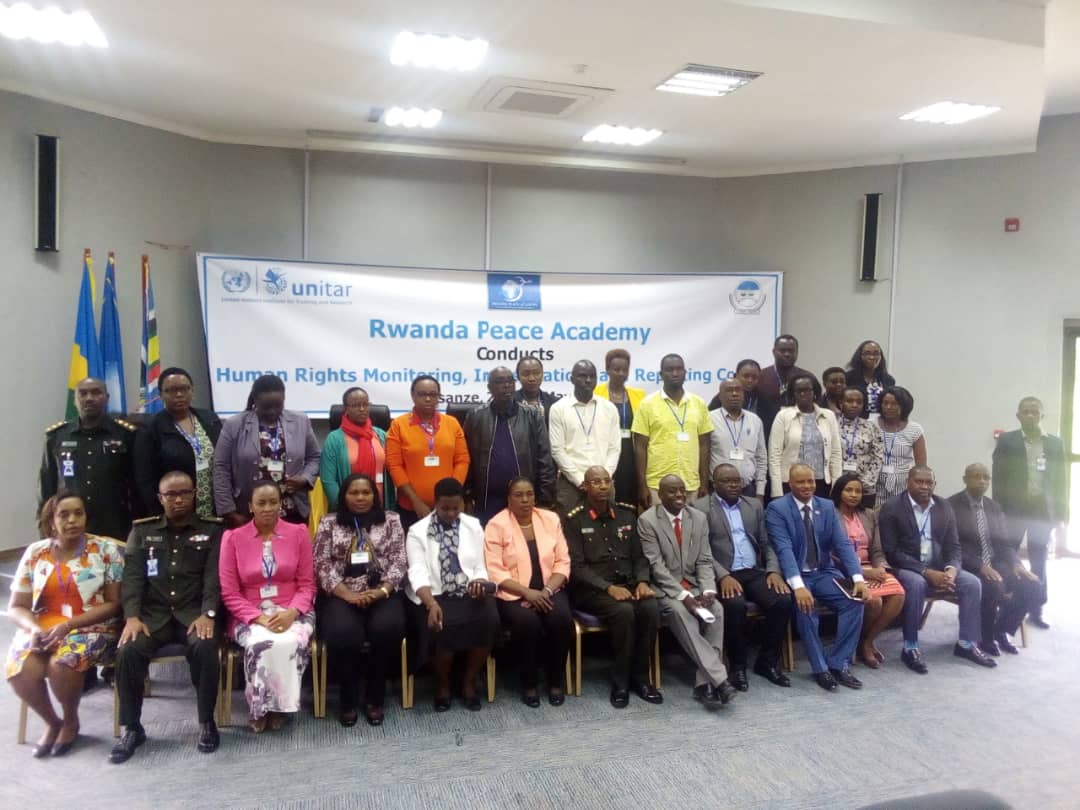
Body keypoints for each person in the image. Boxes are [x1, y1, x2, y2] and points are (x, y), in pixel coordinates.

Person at [111, 472, 223, 763]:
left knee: (204, 647)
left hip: (193, 615)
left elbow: (213, 578)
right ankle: (132, 728)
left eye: (184, 493)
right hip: (153, 617)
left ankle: (206, 722)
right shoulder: (142, 531)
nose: (178, 499)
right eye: (171, 495)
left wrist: (208, 614)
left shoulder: (212, 530)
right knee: (128, 651)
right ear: (160, 498)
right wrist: (132, 617)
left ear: (194, 494)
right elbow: (133, 579)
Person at [7, 491, 123, 757]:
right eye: (64, 515)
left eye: (78, 513)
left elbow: (114, 604)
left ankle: (70, 720)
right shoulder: (36, 553)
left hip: (92, 627)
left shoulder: (105, 550)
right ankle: (52, 722)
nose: (72, 520)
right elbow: (16, 606)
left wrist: (69, 626)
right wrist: (34, 630)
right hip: (42, 628)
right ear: (51, 521)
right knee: (19, 668)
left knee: (62, 663)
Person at [218, 481, 317, 731]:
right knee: (260, 643)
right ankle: (260, 707)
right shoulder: (233, 538)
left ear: (281, 505)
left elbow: (307, 585)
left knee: (289, 640)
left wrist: (291, 613)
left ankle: (279, 706)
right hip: (249, 612)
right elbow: (229, 593)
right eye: (261, 503)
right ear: (250, 506)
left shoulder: (298, 533)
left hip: (294, 609)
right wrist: (258, 618)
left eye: (273, 502)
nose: (267, 508)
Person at [878, 466, 995, 674]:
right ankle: (910, 647)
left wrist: (951, 570)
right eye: (919, 482)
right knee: (916, 583)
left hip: (939, 566)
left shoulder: (943, 506)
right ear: (908, 482)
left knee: (972, 583)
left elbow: (954, 546)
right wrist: (926, 572)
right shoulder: (892, 507)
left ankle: (966, 644)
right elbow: (892, 551)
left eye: (929, 482)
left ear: (934, 484)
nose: (924, 486)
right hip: (906, 567)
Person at [312, 473, 407, 727]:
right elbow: (321, 565)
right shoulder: (329, 523)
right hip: (341, 594)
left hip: (382, 592)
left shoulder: (391, 520)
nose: (360, 497)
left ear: (375, 495)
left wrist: (382, 591)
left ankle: (375, 698)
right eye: (354, 492)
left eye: (366, 492)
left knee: (387, 628)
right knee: (343, 633)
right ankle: (348, 699)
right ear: (344, 496)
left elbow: (400, 561)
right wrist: (348, 595)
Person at [563, 466, 661, 707]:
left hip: (628, 585)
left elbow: (640, 556)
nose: (603, 486)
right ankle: (621, 682)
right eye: (596, 482)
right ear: (585, 486)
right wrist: (608, 588)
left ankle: (641, 677)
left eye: (607, 481)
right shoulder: (574, 519)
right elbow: (577, 567)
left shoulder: (627, 514)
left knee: (650, 607)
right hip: (592, 591)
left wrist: (642, 581)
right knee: (624, 611)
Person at [764, 464, 867, 691]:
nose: (807, 486)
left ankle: (838, 663)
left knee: (854, 602)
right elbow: (783, 549)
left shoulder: (826, 506)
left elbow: (842, 544)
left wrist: (858, 578)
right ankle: (821, 669)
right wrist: (798, 586)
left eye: (810, 481)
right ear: (790, 484)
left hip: (823, 572)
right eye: (800, 482)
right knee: (805, 608)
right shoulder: (777, 508)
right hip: (796, 574)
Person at [638, 474, 736, 709]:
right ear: (660, 495)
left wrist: (708, 589)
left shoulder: (698, 518)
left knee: (717, 610)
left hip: (694, 584)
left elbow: (704, 559)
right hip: (666, 590)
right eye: (672, 491)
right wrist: (684, 596)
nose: (679, 495)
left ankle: (705, 684)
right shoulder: (647, 520)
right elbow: (656, 567)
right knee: (682, 614)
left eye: (682, 490)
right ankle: (720, 679)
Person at [405, 478, 499, 712]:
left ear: (463, 504)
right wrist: (430, 603)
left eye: (456, 508)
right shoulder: (417, 531)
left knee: (489, 619)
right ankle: (443, 685)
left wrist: (479, 581)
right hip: (434, 594)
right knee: (441, 626)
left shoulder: (473, 525)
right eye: (444, 508)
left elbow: (479, 565)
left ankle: (469, 682)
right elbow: (417, 571)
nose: (450, 513)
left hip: (468, 591)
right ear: (435, 503)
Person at [695, 464, 792, 690]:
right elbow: (702, 551)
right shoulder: (700, 508)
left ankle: (767, 662)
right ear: (714, 484)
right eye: (726, 481)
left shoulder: (754, 505)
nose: (733, 485)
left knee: (782, 600)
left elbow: (767, 543)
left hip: (754, 570)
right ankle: (737, 667)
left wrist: (773, 571)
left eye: (736, 481)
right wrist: (723, 576)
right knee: (735, 605)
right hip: (724, 573)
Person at [484, 477, 573, 706]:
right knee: (527, 622)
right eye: (518, 495)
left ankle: (555, 682)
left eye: (529, 494)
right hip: (513, 593)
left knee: (561, 618)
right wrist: (527, 593)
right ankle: (529, 684)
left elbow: (563, 562)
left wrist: (545, 591)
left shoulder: (550, 519)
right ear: (508, 499)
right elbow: (495, 571)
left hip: (550, 589)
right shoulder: (496, 525)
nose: (525, 499)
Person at [948, 463, 1044, 655]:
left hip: (995, 562)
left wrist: (1017, 564)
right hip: (967, 565)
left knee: (1032, 585)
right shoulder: (951, 505)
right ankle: (986, 637)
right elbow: (951, 545)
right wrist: (980, 565)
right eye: (976, 476)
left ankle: (1001, 630)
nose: (982, 481)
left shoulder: (993, 507)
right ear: (965, 479)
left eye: (986, 477)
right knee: (994, 586)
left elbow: (1004, 543)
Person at [991, 396, 1067, 629]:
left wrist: (1061, 514)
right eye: (1026, 411)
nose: (1030, 415)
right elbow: (998, 478)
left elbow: (1061, 481)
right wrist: (998, 511)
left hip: (1041, 512)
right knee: (1007, 556)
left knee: (1039, 558)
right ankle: (1004, 602)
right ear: (1018, 415)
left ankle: (1036, 608)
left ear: (1042, 415)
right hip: (1012, 510)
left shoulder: (1054, 444)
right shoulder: (1007, 441)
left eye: (1035, 411)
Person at [213, 374, 321, 528]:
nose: (272, 411)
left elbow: (314, 457)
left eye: (278, 405)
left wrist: (305, 478)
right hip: (248, 510)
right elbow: (221, 467)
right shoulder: (234, 425)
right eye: (266, 407)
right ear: (255, 400)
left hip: (292, 509)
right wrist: (228, 511)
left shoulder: (300, 420)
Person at [40, 376, 140, 543]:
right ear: (75, 400)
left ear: (107, 397)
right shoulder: (57, 435)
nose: (89, 398)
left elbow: (136, 484)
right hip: (69, 522)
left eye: (96, 393)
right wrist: (44, 524)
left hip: (114, 522)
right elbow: (47, 484)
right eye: (83, 393)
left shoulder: (125, 434)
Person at [831, 474, 905, 669]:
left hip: (870, 567)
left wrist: (880, 567)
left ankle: (867, 641)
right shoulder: (830, 514)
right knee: (874, 601)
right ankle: (858, 642)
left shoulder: (869, 515)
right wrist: (862, 573)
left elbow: (877, 550)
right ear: (839, 492)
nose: (854, 495)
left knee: (898, 595)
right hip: (844, 570)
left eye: (858, 491)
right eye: (849, 490)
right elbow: (830, 554)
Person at [464, 367, 555, 523]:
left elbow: (545, 459)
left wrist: (545, 499)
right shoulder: (476, 416)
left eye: (509, 381)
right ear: (489, 387)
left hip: (523, 498)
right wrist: (467, 497)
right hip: (487, 499)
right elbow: (467, 458)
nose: (506, 385)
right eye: (499, 382)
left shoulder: (532, 415)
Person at [133, 367, 222, 521]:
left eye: (184, 389)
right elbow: (145, 478)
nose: (179, 395)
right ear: (160, 394)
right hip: (175, 512)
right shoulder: (150, 428)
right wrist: (161, 516)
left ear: (192, 390)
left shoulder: (210, 419)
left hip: (214, 508)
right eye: (172, 390)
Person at [386, 375, 470, 529]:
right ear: (413, 396)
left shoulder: (452, 423)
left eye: (433, 394)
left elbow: (462, 460)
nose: (428, 399)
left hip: (449, 507)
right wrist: (415, 501)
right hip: (412, 508)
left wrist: (452, 494)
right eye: (422, 394)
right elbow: (394, 465)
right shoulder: (398, 425)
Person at [632, 354, 712, 510]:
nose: (675, 373)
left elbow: (704, 445)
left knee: (691, 525)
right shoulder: (647, 404)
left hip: (691, 485)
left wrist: (704, 483)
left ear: (685, 373)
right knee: (658, 525)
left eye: (679, 369)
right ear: (661, 374)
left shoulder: (698, 403)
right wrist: (642, 486)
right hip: (657, 486)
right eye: (669, 370)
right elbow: (640, 447)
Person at [549, 360, 621, 513]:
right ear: (572, 379)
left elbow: (614, 448)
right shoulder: (558, 408)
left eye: (592, 376)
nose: (588, 380)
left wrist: (603, 479)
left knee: (607, 525)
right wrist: (580, 480)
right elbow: (557, 450)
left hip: (604, 485)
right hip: (571, 484)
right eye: (582, 376)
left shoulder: (609, 408)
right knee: (569, 526)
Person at [319, 387, 394, 511]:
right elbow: (328, 480)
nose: (362, 409)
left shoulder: (381, 435)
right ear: (346, 408)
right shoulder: (334, 439)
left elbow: (392, 472)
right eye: (356, 405)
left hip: (379, 506)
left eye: (365, 404)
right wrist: (342, 506)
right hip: (347, 509)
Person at [768, 373, 841, 499]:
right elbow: (774, 455)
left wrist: (836, 487)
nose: (803, 394)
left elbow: (835, 453)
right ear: (793, 394)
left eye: (807, 390)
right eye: (799, 391)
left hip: (822, 484)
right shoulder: (783, 415)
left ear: (815, 392)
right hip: (791, 483)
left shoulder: (828, 416)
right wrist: (777, 491)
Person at [594, 348, 647, 505]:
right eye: (616, 369)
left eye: (625, 370)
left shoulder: (639, 395)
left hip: (630, 454)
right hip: (605, 452)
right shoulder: (596, 393)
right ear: (607, 370)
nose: (621, 373)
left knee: (629, 498)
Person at [708, 379, 767, 499]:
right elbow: (703, 455)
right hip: (717, 490)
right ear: (720, 396)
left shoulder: (755, 420)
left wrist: (760, 492)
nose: (734, 394)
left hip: (748, 489)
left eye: (738, 390)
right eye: (729, 390)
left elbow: (761, 457)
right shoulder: (709, 419)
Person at [874, 386, 926, 507]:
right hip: (874, 485)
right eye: (885, 403)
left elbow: (921, 466)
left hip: (902, 487)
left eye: (894, 404)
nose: (888, 407)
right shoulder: (871, 424)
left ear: (904, 406)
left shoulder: (914, 429)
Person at [756, 335, 816, 436]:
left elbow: (817, 405)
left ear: (797, 352)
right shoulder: (761, 376)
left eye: (791, 351)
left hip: (800, 435)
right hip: (767, 433)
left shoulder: (807, 377)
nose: (787, 354)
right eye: (782, 351)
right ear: (774, 352)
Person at [837, 387, 885, 509]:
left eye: (859, 402)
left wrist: (864, 483)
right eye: (850, 401)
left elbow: (878, 457)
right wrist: (837, 482)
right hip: (837, 486)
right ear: (841, 403)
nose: (854, 405)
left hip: (864, 488)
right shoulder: (832, 424)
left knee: (864, 519)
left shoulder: (871, 427)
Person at [845, 340, 895, 418]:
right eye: (867, 353)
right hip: (855, 420)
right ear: (860, 356)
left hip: (881, 421)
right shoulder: (848, 377)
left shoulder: (888, 380)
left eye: (876, 353)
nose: (872, 357)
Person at [513, 356, 561, 423]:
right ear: (518, 376)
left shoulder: (555, 403)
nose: (531, 378)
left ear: (543, 375)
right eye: (526, 374)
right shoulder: (510, 402)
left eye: (536, 373)